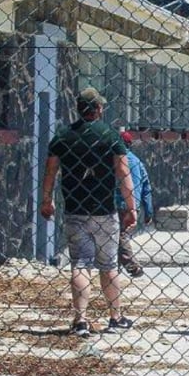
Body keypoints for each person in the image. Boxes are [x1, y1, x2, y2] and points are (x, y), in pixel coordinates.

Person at [40, 87, 137, 338]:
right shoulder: (110, 136)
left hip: (75, 208)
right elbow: (123, 173)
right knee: (109, 264)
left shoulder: (62, 136)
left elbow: (50, 172)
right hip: (104, 209)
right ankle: (115, 317)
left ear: (78, 108)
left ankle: (81, 320)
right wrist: (131, 206)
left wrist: (46, 200)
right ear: (99, 109)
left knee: (80, 263)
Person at [115, 129, 155, 278]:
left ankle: (132, 266)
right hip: (132, 204)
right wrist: (148, 212)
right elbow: (146, 188)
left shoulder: (112, 159)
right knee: (120, 234)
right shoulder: (137, 161)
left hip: (115, 202)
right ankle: (117, 267)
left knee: (119, 236)